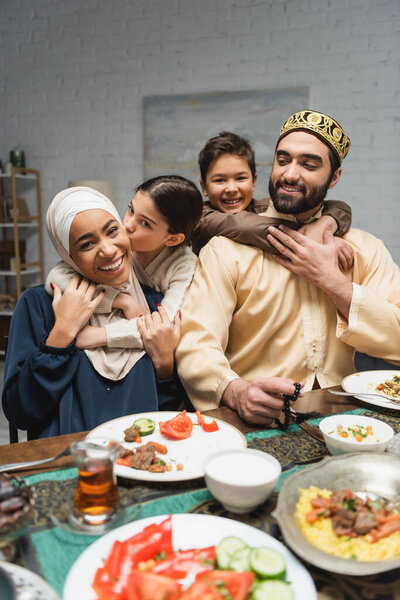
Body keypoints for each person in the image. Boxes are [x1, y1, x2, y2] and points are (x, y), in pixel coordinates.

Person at [175, 109, 400, 426]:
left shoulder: (363, 248)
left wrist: (333, 282)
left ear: (334, 177)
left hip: (352, 421)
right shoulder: (226, 250)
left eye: (309, 165)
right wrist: (236, 391)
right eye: (283, 160)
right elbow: (195, 346)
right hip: (256, 422)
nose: (290, 174)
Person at [2, 187, 189, 439]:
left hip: (144, 456)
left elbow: (170, 412)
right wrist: (62, 333)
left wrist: (164, 365)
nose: (109, 250)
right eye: (87, 243)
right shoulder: (40, 305)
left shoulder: (155, 303)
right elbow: (20, 412)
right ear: (68, 255)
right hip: (70, 462)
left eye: (112, 231)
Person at [45, 176, 203, 354]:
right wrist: (120, 301)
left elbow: (165, 326)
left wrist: (100, 335)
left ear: (173, 238)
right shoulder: (117, 242)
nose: (127, 225)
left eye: (145, 223)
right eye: (131, 210)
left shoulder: (184, 266)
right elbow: (56, 276)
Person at [191, 131, 353, 275]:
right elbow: (245, 226)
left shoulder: (262, 208)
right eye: (219, 180)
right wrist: (318, 239)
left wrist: (326, 222)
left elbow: (339, 207)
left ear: (254, 181)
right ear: (204, 187)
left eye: (240, 178)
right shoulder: (200, 218)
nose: (232, 188)